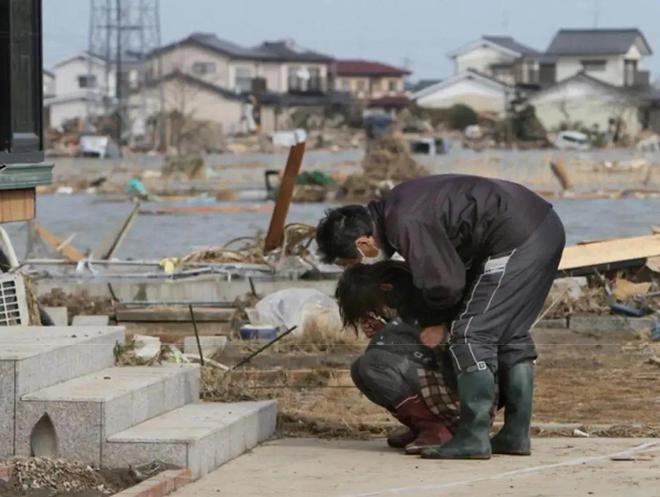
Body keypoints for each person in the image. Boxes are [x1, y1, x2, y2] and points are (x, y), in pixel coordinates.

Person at [316, 174, 565, 459]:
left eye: (354, 260)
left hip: (517, 237)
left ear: (363, 243)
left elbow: (447, 283)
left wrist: (439, 324)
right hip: (541, 226)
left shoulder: (404, 222)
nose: (362, 265)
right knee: (510, 333)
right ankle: (515, 434)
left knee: (470, 335)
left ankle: (473, 436)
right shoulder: (400, 205)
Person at [336, 261, 460, 454]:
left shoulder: (428, 295)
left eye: (374, 307)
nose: (379, 310)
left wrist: (387, 336)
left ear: (385, 288)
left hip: (458, 391)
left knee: (373, 364)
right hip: (441, 381)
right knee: (359, 368)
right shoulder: (406, 297)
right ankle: (421, 426)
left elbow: (436, 341)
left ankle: (434, 429)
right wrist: (384, 332)